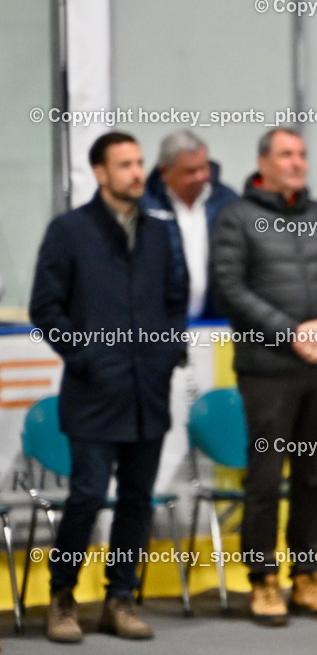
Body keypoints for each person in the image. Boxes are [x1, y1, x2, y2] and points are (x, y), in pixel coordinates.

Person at [30, 131, 188, 643]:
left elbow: (174, 301)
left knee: (137, 500)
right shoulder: (68, 231)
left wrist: (164, 357)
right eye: (125, 165)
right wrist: (87, 356)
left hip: (149, 391)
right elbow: (46, 308)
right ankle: (62, 598)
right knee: (87, 497)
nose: (137, 173)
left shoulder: (161, 231)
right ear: (100, 173)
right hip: (94, 392)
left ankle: (120, 599)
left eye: (140, 163)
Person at [210, 127, 317, 626]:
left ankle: (306, 577)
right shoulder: (237, 219)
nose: (297, 162)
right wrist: (290, 332)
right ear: (264, 162)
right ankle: (263, 581)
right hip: (267, 371)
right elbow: (230, 288)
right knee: (265, 477)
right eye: (286, 155)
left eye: (301, 154)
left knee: (311, 475)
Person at [141, 130, 239, 321]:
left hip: (217, 323)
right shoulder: (144, 206)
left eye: (204, 167)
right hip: (159, 324)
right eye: (190, 171)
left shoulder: (228, 202)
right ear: (164, 172)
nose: (200, 176)